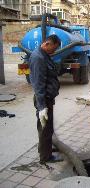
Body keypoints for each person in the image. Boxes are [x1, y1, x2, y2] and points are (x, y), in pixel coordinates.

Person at [29, 35, 62, 163]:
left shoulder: (44, 55)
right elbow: (38, 85)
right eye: (53, 48)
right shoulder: (38, 58)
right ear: (47, 43)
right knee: (45, 129)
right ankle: (45, 157)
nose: (54, 51)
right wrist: (42, 107)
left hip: (47, 98)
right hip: (43, 100)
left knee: (46, 128)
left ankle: (43, 149)